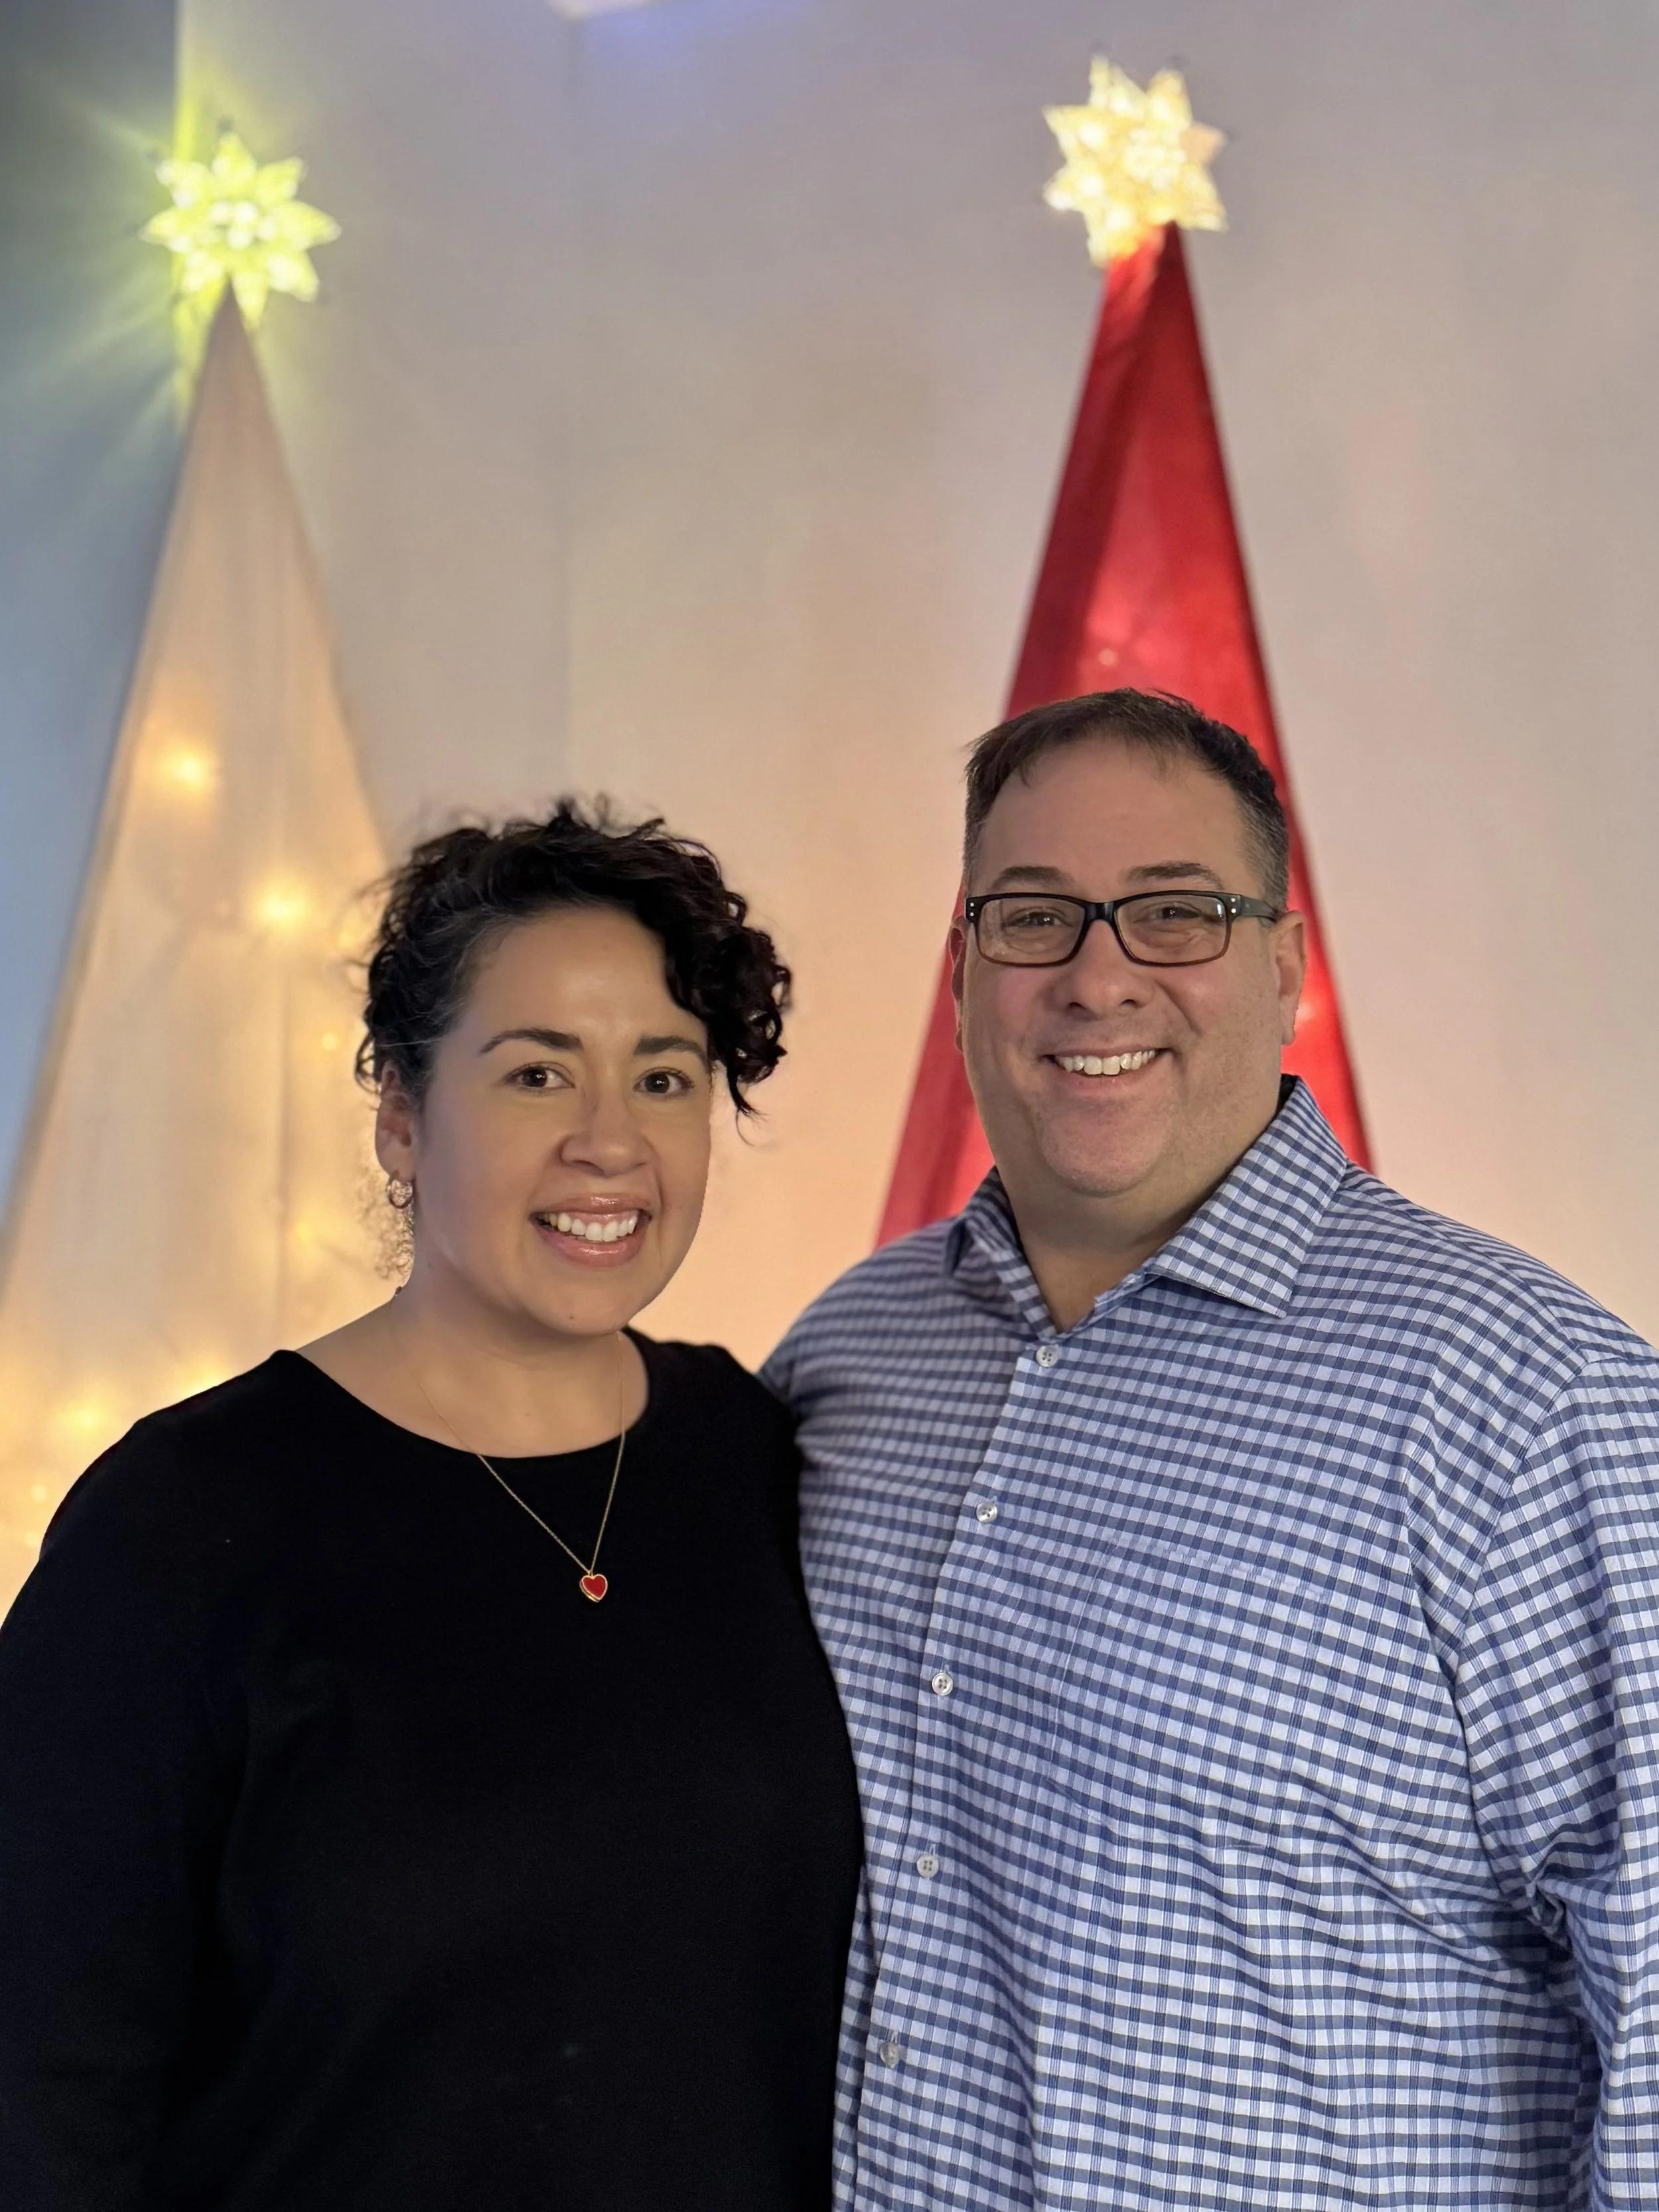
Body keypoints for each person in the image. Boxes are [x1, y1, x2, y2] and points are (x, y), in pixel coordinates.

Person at [764, 688, 1659, 2211]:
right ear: (962, 970)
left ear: (1284, 966)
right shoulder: (852, 1354)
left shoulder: (1529, 1405)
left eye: (1174, 912)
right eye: (1033, 916)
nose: (1097, 977)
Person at [0, 802, 862, 2212]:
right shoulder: (181, 1523)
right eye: (535, 1074)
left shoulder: (760, 1455)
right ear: (402, 1118)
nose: (609, 1143)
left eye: (663, 1077)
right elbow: (38, 2087)